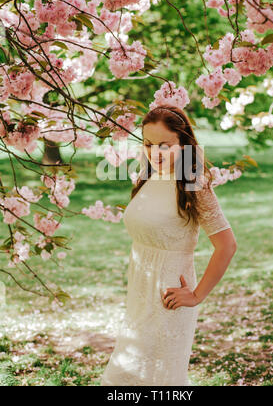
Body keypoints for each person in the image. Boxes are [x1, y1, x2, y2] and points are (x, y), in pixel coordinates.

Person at [101, 104, 237, 386]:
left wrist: (197, 295)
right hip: (139, 290)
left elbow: (227, 245)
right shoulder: (147, 176)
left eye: (166, 145)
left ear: (184, 143)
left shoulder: (194, 185)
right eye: (149, 145)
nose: (156, 153)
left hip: (169, 296)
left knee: (156, 380)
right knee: (129, 376)